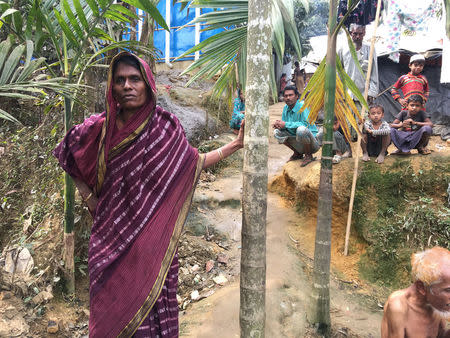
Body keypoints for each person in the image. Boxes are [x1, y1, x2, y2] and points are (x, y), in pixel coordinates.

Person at [53, 52, 244, 337]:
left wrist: (233, 146)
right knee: (108, 319)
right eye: (120, 80)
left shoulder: (166, 128)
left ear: (148, 83)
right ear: (112, 87)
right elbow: (66, 151)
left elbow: (192, 163)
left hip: (154, 246)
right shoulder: (99, 127)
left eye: (134, 79)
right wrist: (89, 197)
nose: (127, 86)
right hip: (108, 243)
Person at [381, 247, 450, 338]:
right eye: (448, 290)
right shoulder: (399, 306)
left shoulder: (437, 304)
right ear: (421, 287)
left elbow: (441, 335)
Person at [273, 85, 319, 167]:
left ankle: (308, 155)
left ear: (297, 96)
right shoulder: (285, 108)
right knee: (277, 132)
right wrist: (279, 125)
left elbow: (305, 125)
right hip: (297, 141)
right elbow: (285, 125)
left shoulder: (303, 106)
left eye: (291, 95)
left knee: (301, 130)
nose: (288, 98)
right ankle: (297, 153)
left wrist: (285, 124)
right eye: (286, 96)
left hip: (311, 142)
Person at [337, 23, 379, 106]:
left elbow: (374, 73)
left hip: (364, 96)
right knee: (347, 119)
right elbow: (338, 72)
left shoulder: (370, 49)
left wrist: (372, 93)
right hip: (347, 95)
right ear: (350, 33)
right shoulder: (342, 49)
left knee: (363, 119)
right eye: (355, 34)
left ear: (364, 33)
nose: (357, 37)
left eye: (360, 34)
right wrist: (339, 92)